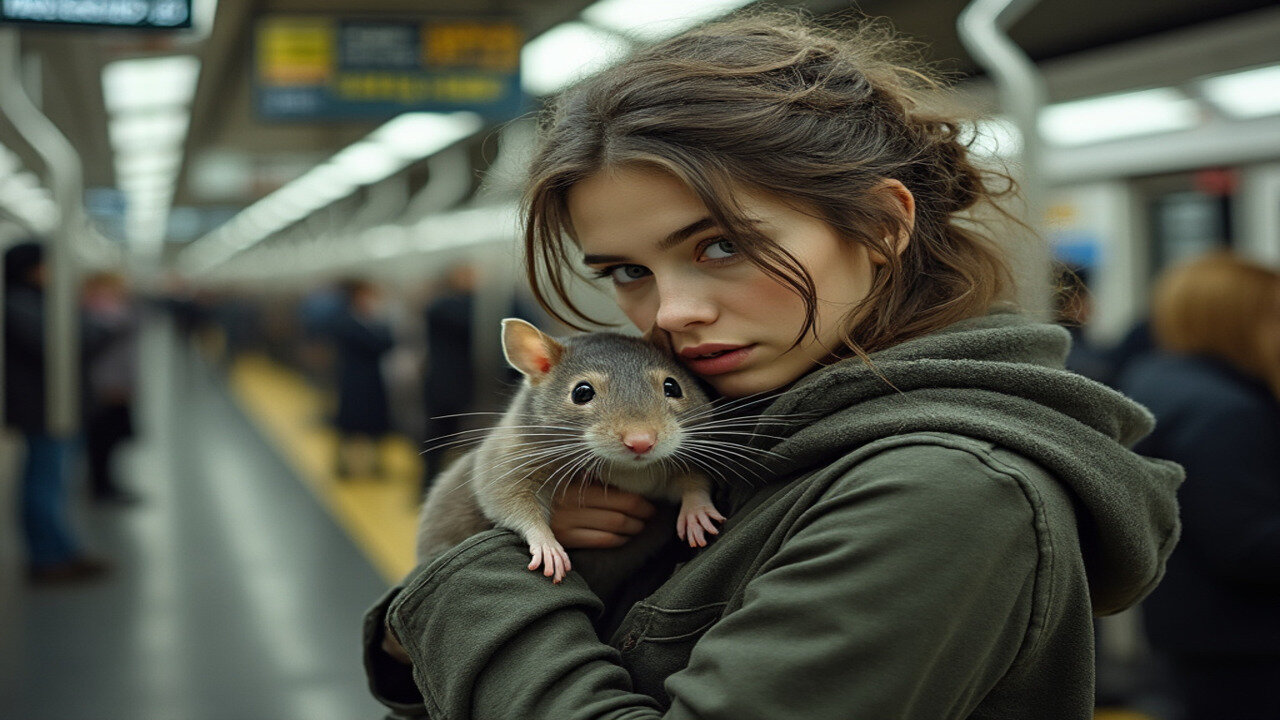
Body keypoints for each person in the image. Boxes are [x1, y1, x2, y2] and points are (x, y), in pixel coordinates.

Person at [362, 12, 1182, 718]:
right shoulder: (745, 425)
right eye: (626, 272)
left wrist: (462, 586)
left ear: (880, 223)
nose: (671, 313)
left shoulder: (944, 493)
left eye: (721, 246)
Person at [1117, 252, 1280, 720]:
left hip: (1190, 626)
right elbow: (1247, 542)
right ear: (1243, 321)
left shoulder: (1155, 380)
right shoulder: (1227, 411)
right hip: (1247, 641)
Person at [4, 241, 110, 583]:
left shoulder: (39, 302)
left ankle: (62, 550)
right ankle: (47, 558)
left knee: (55, 483)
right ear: (33, 268)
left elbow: (91, 334)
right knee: (45, 482)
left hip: (53, 407)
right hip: (44, 409)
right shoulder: (20, 304)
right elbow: (77, 339)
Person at [81, 271, 140, 504]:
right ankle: (101, 487)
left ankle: (105, 483)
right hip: (106, 384)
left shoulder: (113, 310)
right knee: (103, 438)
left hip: (117, 380)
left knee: (111, 438)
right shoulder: (101, 312)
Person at [329, 279, 396, 479]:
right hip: (354, 381)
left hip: (372, 379)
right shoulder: (347, 322)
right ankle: (342, 464)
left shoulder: (370, 321)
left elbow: (387, 342)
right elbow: (377, 344)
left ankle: (376, 463)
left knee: (375, 422)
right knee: (350, 424)